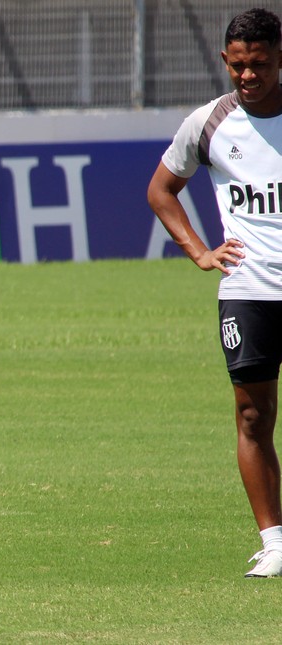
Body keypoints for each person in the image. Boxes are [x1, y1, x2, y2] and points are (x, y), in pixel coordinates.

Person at [147, 8, 282, 578]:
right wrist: (200, 252)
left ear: (279, 58)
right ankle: (276, 543)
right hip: (248, 290)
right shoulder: (209, 123)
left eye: (259, 65)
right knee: (253, 416)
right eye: (237, 66)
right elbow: (162, 190)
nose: (247, 77)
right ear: (225, 60)